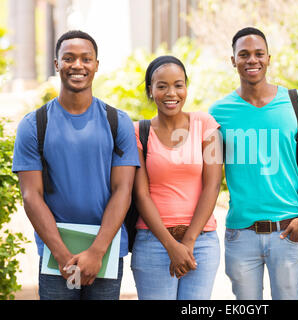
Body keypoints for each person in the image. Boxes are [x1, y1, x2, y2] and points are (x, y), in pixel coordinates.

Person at [12, 30, 140, 300]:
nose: (78, 65)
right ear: (57, 64)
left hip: (105, 251)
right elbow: (31, 195)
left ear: (96, 65)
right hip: (56, 256)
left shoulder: (119, 122)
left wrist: (96, 251)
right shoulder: (33, 125)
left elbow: (123, 191)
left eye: (86, 59)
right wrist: (61, 255)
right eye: (69, 58)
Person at [209, 27, 298, 300]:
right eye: (244, 54)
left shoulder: (295, 102)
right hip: (240, 234)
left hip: (288, 229)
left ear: (269, 58)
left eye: (259, 54)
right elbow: (209, 177)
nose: (252, 60)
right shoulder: (219, 112)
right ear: (233, 60)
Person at [130, 55, 222, 300]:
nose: (171, 93)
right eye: (162, 86)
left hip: (201, 243)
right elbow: (141, 194)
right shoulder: (138, 131)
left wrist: (188, 243)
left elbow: (213, 186)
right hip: (153, 242)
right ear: (151, 90)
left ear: (186, 88)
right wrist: (172, 247)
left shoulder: (205, 124)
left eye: (178, 85)